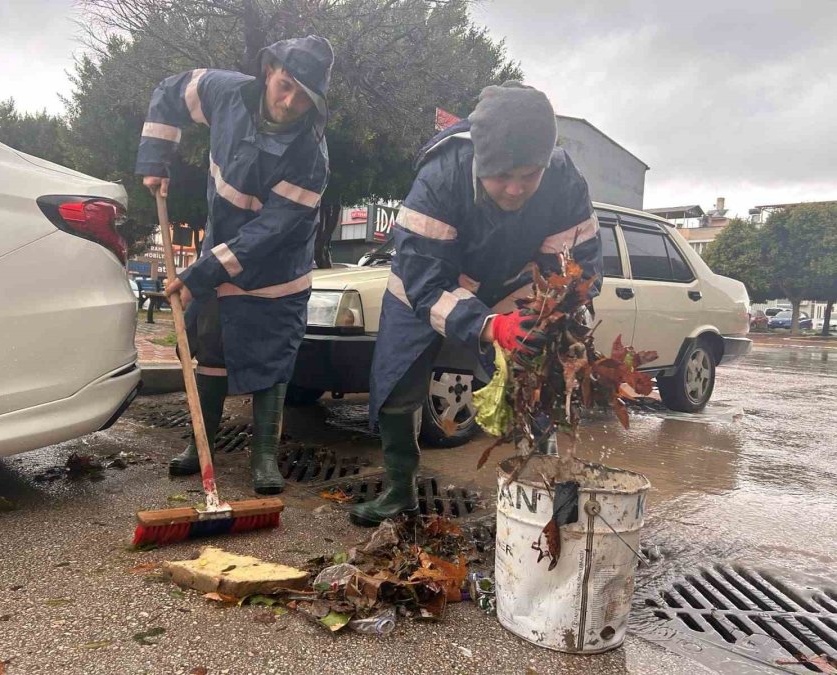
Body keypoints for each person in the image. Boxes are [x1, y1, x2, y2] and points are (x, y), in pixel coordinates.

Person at [351, 82, 603, 527]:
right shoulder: (441, 175)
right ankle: (399, 490)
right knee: (398, 384)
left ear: (546, 162)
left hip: (511, 284)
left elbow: (576, 269)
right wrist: (490, 326)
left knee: (543, 378)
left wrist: (544, 319)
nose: (513, 189)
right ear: (478, 162)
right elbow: (424, 279)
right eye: (501, 175)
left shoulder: (564, 179)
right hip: (425, 287)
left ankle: (548, 493)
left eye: (528, 175)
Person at [135, 36, 334, 494]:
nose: (290, 102)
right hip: (220, 250)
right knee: (211, 350)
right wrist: (155, 159)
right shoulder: (225, 93)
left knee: (270, 359)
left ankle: (264, 458)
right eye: (285, 85)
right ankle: (200, 442)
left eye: (304, 96)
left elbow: (267, 235)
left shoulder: (311, 158)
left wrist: (200, 274)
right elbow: (170, 91)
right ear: (269, 70)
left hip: (276, 270)